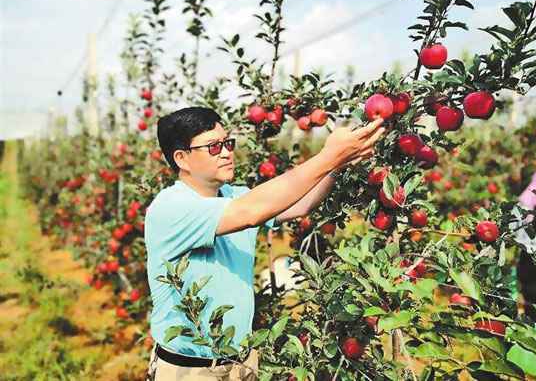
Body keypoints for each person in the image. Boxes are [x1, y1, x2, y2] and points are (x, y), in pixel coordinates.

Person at [145, 107, 385, 381]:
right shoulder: (171, 208)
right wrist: (328, 155)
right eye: (213, 147)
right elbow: (251, 213)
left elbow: (299, 203)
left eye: (227, 143)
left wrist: (337, 164)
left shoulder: (234, 196)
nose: (226, 152)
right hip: (190, 370)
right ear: (182, 158)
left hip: (243, 361)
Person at [514, 170, 536, 323]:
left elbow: (513, 230)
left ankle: (530, 333)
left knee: (531, 300)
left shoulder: (524, 205)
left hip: (528, 261)